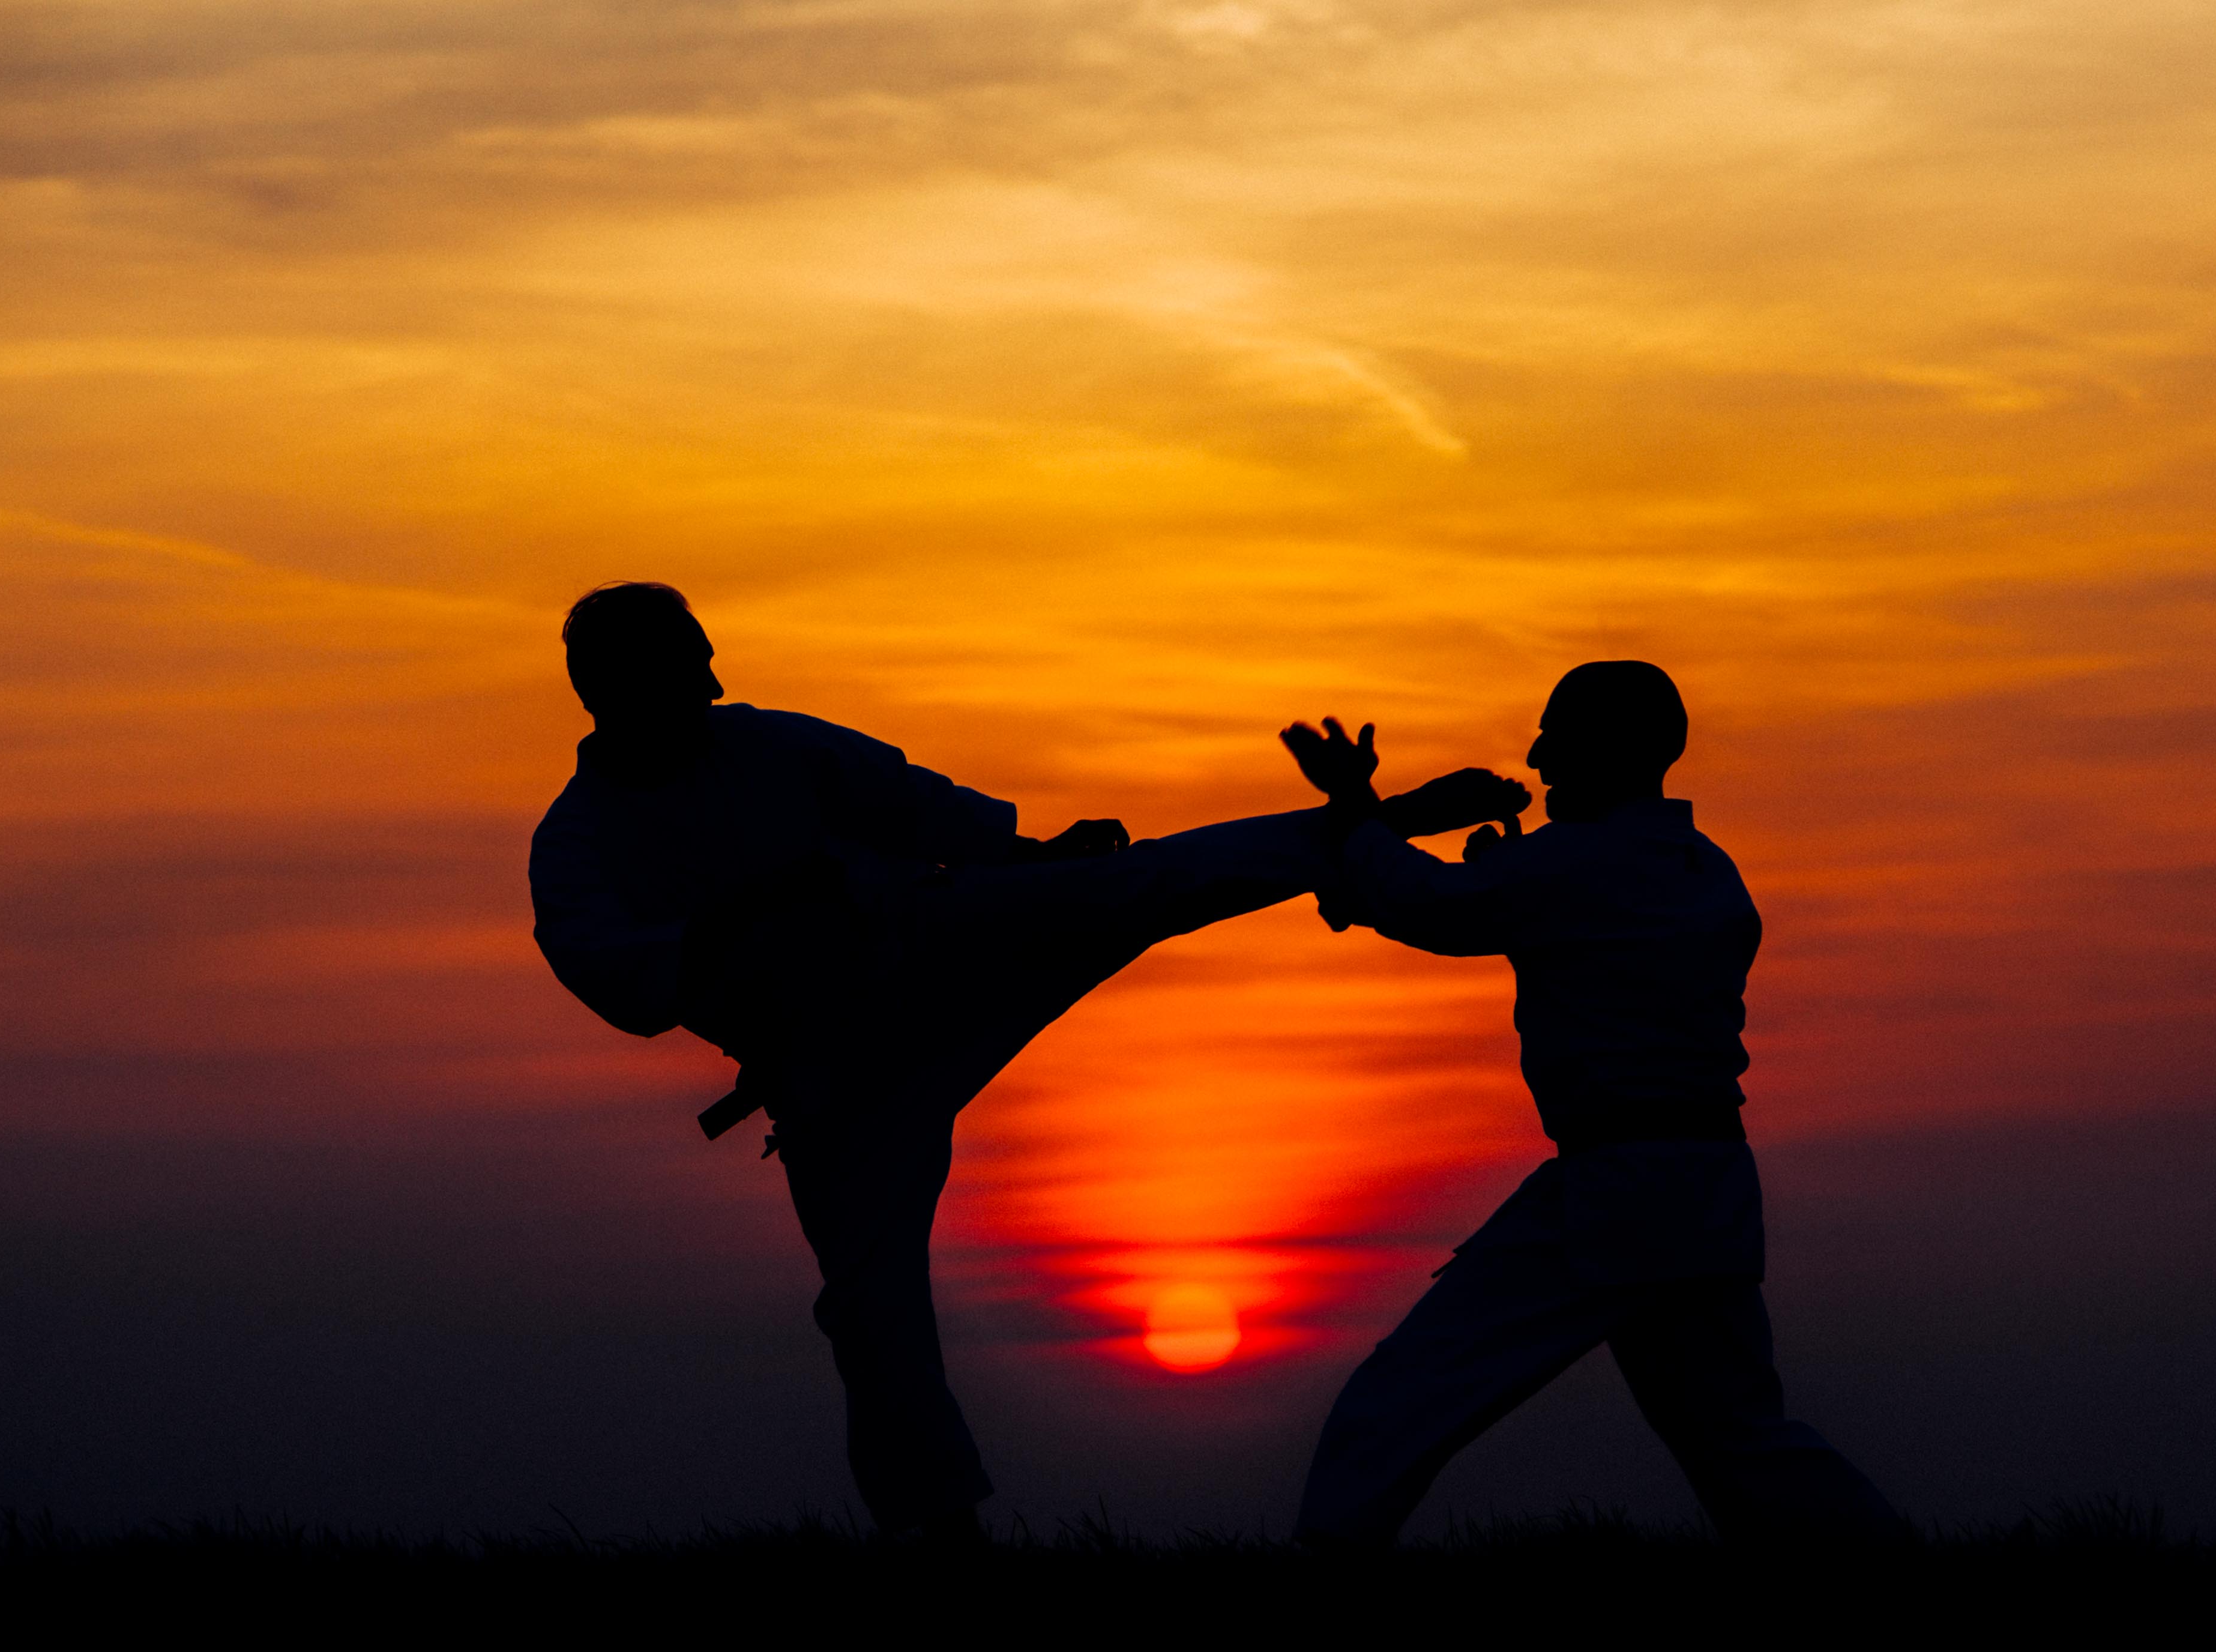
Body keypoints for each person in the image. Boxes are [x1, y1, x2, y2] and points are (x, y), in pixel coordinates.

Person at [528, 582, 1520, 1538]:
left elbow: (917, 806)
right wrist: (756, 915)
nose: (712, 683)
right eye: (688, 669)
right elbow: (625, 983)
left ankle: (1363, 831)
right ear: (613, 691)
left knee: (1133, 882)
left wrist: (1037, 851)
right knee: (870, 1312)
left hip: (938, 947)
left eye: (706, 664)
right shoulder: (576, 843)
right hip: (837, 1079)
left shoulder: (769, 743)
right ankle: (943, 1530)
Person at [1280, 663, 1902, 1547]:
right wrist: (1500, 878)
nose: (1536, 758)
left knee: (1395, 1406)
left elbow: (1434, 906)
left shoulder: (1572, 863)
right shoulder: (1707, 872)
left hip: (1616, 1192)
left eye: (1556, 738)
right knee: (1743, 1444)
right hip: (1707, 1188)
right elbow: (1532, 912)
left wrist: (1356, 805)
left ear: (1608, 750)